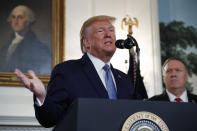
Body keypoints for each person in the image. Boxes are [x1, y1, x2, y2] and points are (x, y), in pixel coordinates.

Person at [15, 15, 135, 128]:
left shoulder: (124, 79)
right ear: (86, 42)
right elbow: (49, 119)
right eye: (100, 31)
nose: (108, 34)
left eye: (111, 30)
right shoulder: (67, 71)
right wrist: (42, 96)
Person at [0, 5, 51, 74]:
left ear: (28, 21)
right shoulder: (5, 48)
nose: (15, 21)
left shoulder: (40, 48)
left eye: (20, 17)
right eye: (13, 17)